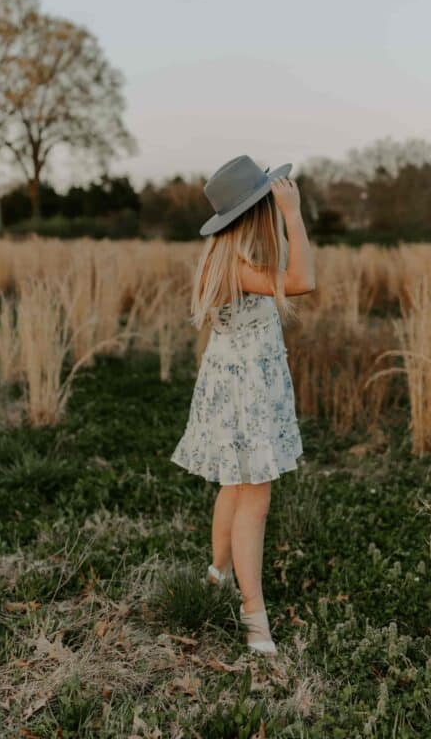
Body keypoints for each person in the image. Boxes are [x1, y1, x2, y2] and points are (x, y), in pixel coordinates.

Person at [170, 154, 316, 656]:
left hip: (238, 388)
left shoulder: (229, 258)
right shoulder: (239, 266)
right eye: (268, 204)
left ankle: (219, 574)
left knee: (235, 486)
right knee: (254, 499)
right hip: (247, 395)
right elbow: (302, 281)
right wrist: (294, 218)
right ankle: (254, 616)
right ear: (254, 213)